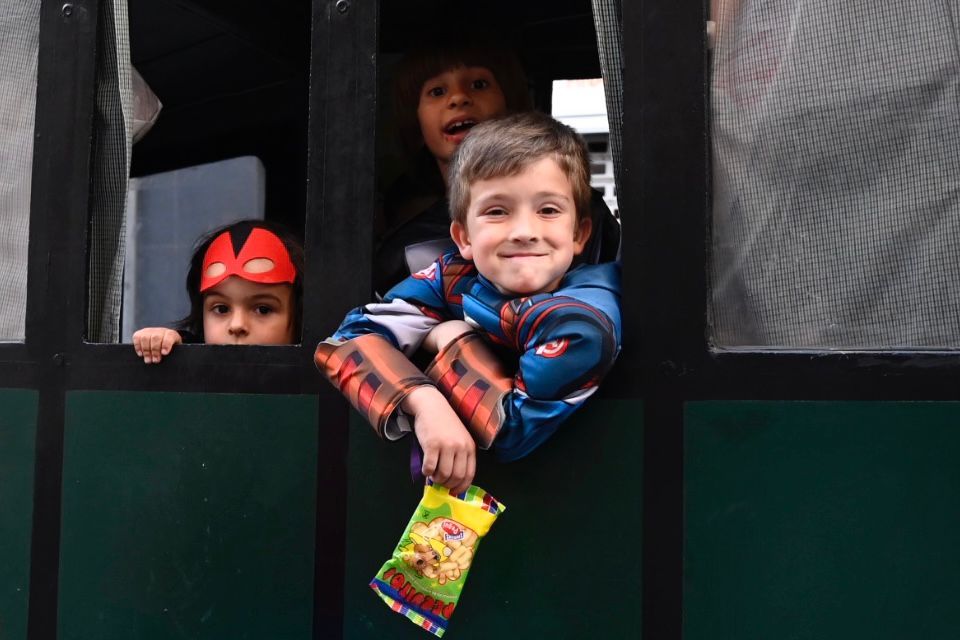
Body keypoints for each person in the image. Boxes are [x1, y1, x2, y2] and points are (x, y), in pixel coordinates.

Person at [316, 112, 622, 494]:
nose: (525, 232)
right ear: (463, 236)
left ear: (579, 233)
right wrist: (424, 402)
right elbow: (347, 340)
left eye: (548, 210)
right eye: (497, 211)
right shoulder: (455, 274)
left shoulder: (582, 323)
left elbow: (509, 431)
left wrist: (452, 339)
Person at [376, 42, 620, 294]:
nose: (458, 98)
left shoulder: (590, 218)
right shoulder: (404, 249)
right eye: (437, 91)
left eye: (479, 84)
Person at [132, 219, 304, 363]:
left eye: (263, 309)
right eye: (221, 309)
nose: (237, 325)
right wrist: (163, 346)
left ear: (298, 317)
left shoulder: (318, 383)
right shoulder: (188, 365)